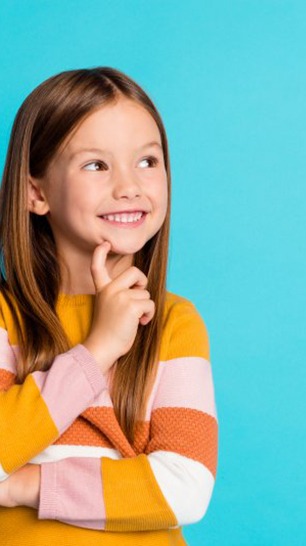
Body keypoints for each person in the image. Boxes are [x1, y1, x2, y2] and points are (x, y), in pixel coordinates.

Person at [0, 67, 218, 546]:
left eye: (147, 161)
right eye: (96, 165)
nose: (128, 186)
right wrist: (97, 350)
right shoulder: (4, 318)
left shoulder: (174, 324)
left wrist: (25, 486)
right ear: (37, 192)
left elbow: (186, 487)